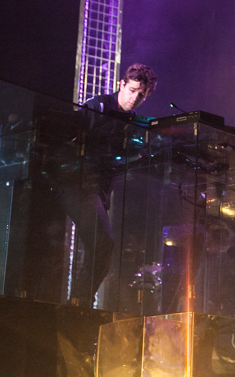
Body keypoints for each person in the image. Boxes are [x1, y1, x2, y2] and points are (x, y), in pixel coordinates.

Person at [64, 63, 157, 304]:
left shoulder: (134, 123)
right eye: (132, 90)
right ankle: (80, 301)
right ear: (121, 84)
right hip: (78, 183)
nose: (135, 98)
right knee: (102, 243)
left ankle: (79, 301)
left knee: (99, 247)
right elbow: (68, 139)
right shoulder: (99, 106)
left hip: (99, 189)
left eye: (141, 95)